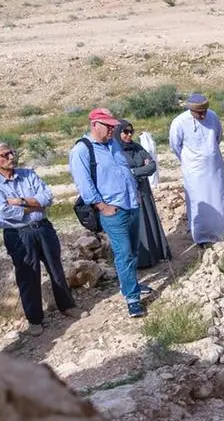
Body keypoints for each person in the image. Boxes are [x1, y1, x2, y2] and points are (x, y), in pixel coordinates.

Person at [0, 142, 83, 336]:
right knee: (27, 275)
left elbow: (47, 197)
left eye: (11, 152)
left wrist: (20, 201)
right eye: (5, 154)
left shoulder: (28, 174)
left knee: (56, 269)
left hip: (43, 228)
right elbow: (4, 210)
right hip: (18, 234)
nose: (11, 157)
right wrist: (35, 205)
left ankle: (67, 306)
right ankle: (35, 319)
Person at [70, 108, 148, 318]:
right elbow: (84, 184)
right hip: (113, 211)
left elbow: (123, 171)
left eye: (113, 126)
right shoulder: (82, 150)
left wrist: (135, 195)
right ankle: (132, 298)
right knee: (123, 253)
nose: (113, 129)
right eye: (108, 126)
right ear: (94, 124)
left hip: (131, 204)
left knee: (132, 250)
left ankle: (130, 285)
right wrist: (102, 207)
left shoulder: (113, 143)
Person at [169, 93, 224, 247]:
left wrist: (209, 154)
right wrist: (190, 160)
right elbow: (175, 146)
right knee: (199, 199)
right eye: (199, 113)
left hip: (214, 167)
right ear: (190, 110)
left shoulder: (213, 116)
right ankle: (202, 237)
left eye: (204, 111)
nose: (202, 115)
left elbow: (218, 137)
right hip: (194, 170)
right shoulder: (179, 122)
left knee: (219, 198)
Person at [114, 119, 171, 269]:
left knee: (150, 220)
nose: (128, 135)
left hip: (144, 190)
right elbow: (121, 173)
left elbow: (152, 165)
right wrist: (138, 171)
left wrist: (133, 172)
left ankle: (158, 253)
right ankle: (142, 260)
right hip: (130, 193)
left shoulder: (137, 147)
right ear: (117, 133)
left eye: (131, 132)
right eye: (125, 132)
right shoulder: (115, 151)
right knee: (138, 224)